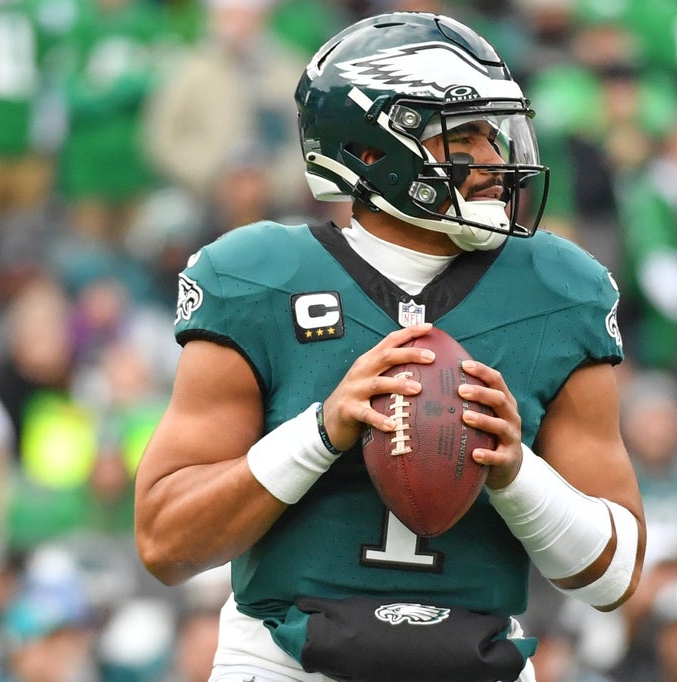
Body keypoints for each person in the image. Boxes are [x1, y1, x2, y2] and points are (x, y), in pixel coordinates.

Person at [134, 11, 645, 682]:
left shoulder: (557, 289)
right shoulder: (260, 277)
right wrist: (320, 433)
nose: (496, 164)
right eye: (463, 140)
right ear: (370, 152)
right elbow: (167, 541)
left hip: (481, 663)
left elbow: (615, 577)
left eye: (496, 137)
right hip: (286, 663)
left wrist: (515, 470)